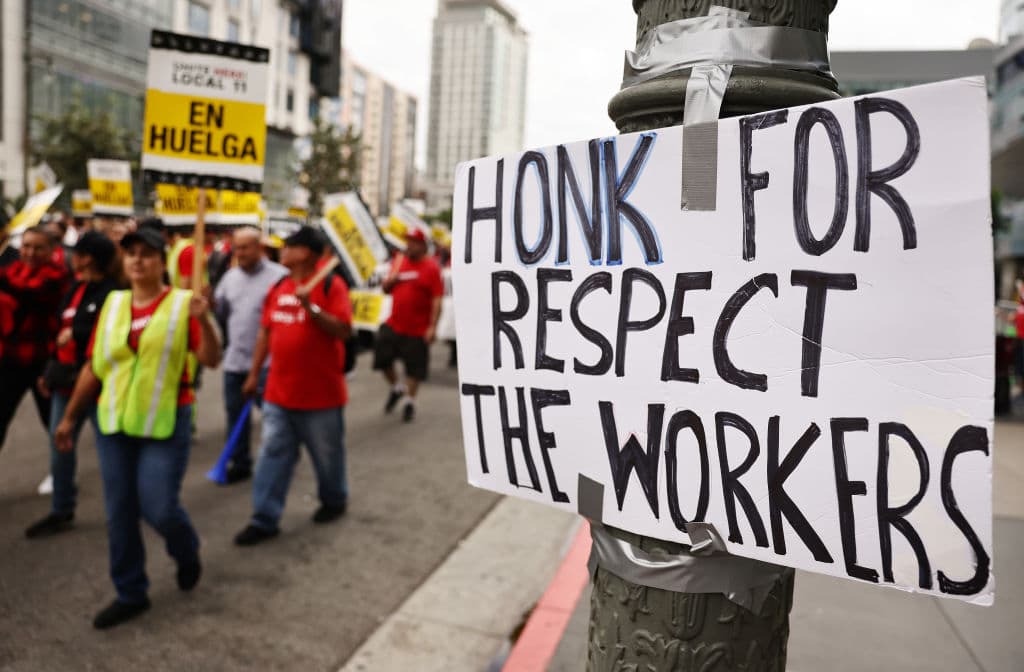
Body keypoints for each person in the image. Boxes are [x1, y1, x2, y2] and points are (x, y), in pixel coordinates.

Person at [54, 227, 221, 629]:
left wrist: (208, 321)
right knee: (120, 512)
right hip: (114, 423)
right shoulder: (112, 303)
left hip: (164, 421)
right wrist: (70, 417)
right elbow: (95, 366)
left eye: (147, 254)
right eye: (130, 254)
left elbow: (210, 358)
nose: (138, 261)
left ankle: (186, 549)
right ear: (123, 262)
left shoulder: (184, 304)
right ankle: (131, 592)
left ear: (161, 262)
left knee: (159, 507)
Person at [233, 227, 352, 546]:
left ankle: (334, 499)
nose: (282, 251)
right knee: (272, 454)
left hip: (320, 398)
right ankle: (264, 517)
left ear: (307, 253)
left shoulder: (331, 285)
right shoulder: (280, 285)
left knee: (327, 457)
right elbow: (266, 333)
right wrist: (253, 373)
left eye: (290, 246)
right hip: (278, 394)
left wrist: (311, 308)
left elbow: (343, 331)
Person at [25, 232, 120, 537]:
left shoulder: (112, 293)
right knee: (60, 447)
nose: (70, 257)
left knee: (111, 455)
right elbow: (60, 329)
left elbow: (99, 332)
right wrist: (49, 371)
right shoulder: (75, 287)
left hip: (95, 385)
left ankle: (123, 510)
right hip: (65, 383)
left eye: (76, 252)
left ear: (89, 257)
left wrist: (77, 333)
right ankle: (61, 509)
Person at [213, 227, 286, 483]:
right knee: (235, 415)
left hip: (269, 362)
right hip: (235, 359)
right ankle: (240, 461)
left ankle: (277, 461)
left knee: (274, 417)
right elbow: (221, 314)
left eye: (245, 248)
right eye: (236, 248)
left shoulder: (280, 278)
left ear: (259, 248)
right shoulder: (230, 278)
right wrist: (209, 304)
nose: (239, 253)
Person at [0, 226, 70, 452]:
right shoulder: (10, 271)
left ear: (51, 251)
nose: (31, 253)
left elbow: (31, 293)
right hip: (9, 360)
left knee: (53, 422)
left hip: (44, 362)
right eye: (26, 246)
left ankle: (60, 475)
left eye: (38, 248)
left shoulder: (58, 277)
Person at [374, 228, 444, 422]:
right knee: (382, 358)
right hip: (394, 324)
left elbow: (437, 299)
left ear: (422, 245)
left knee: (414, 369)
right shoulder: (399, 262)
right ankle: (397, 387)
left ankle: (409, 402)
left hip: (417, 329)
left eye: (414, 241)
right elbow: (386, 289)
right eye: (408, 241)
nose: (409, 245)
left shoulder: (431, 268)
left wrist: (432, 327)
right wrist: (391, 281)